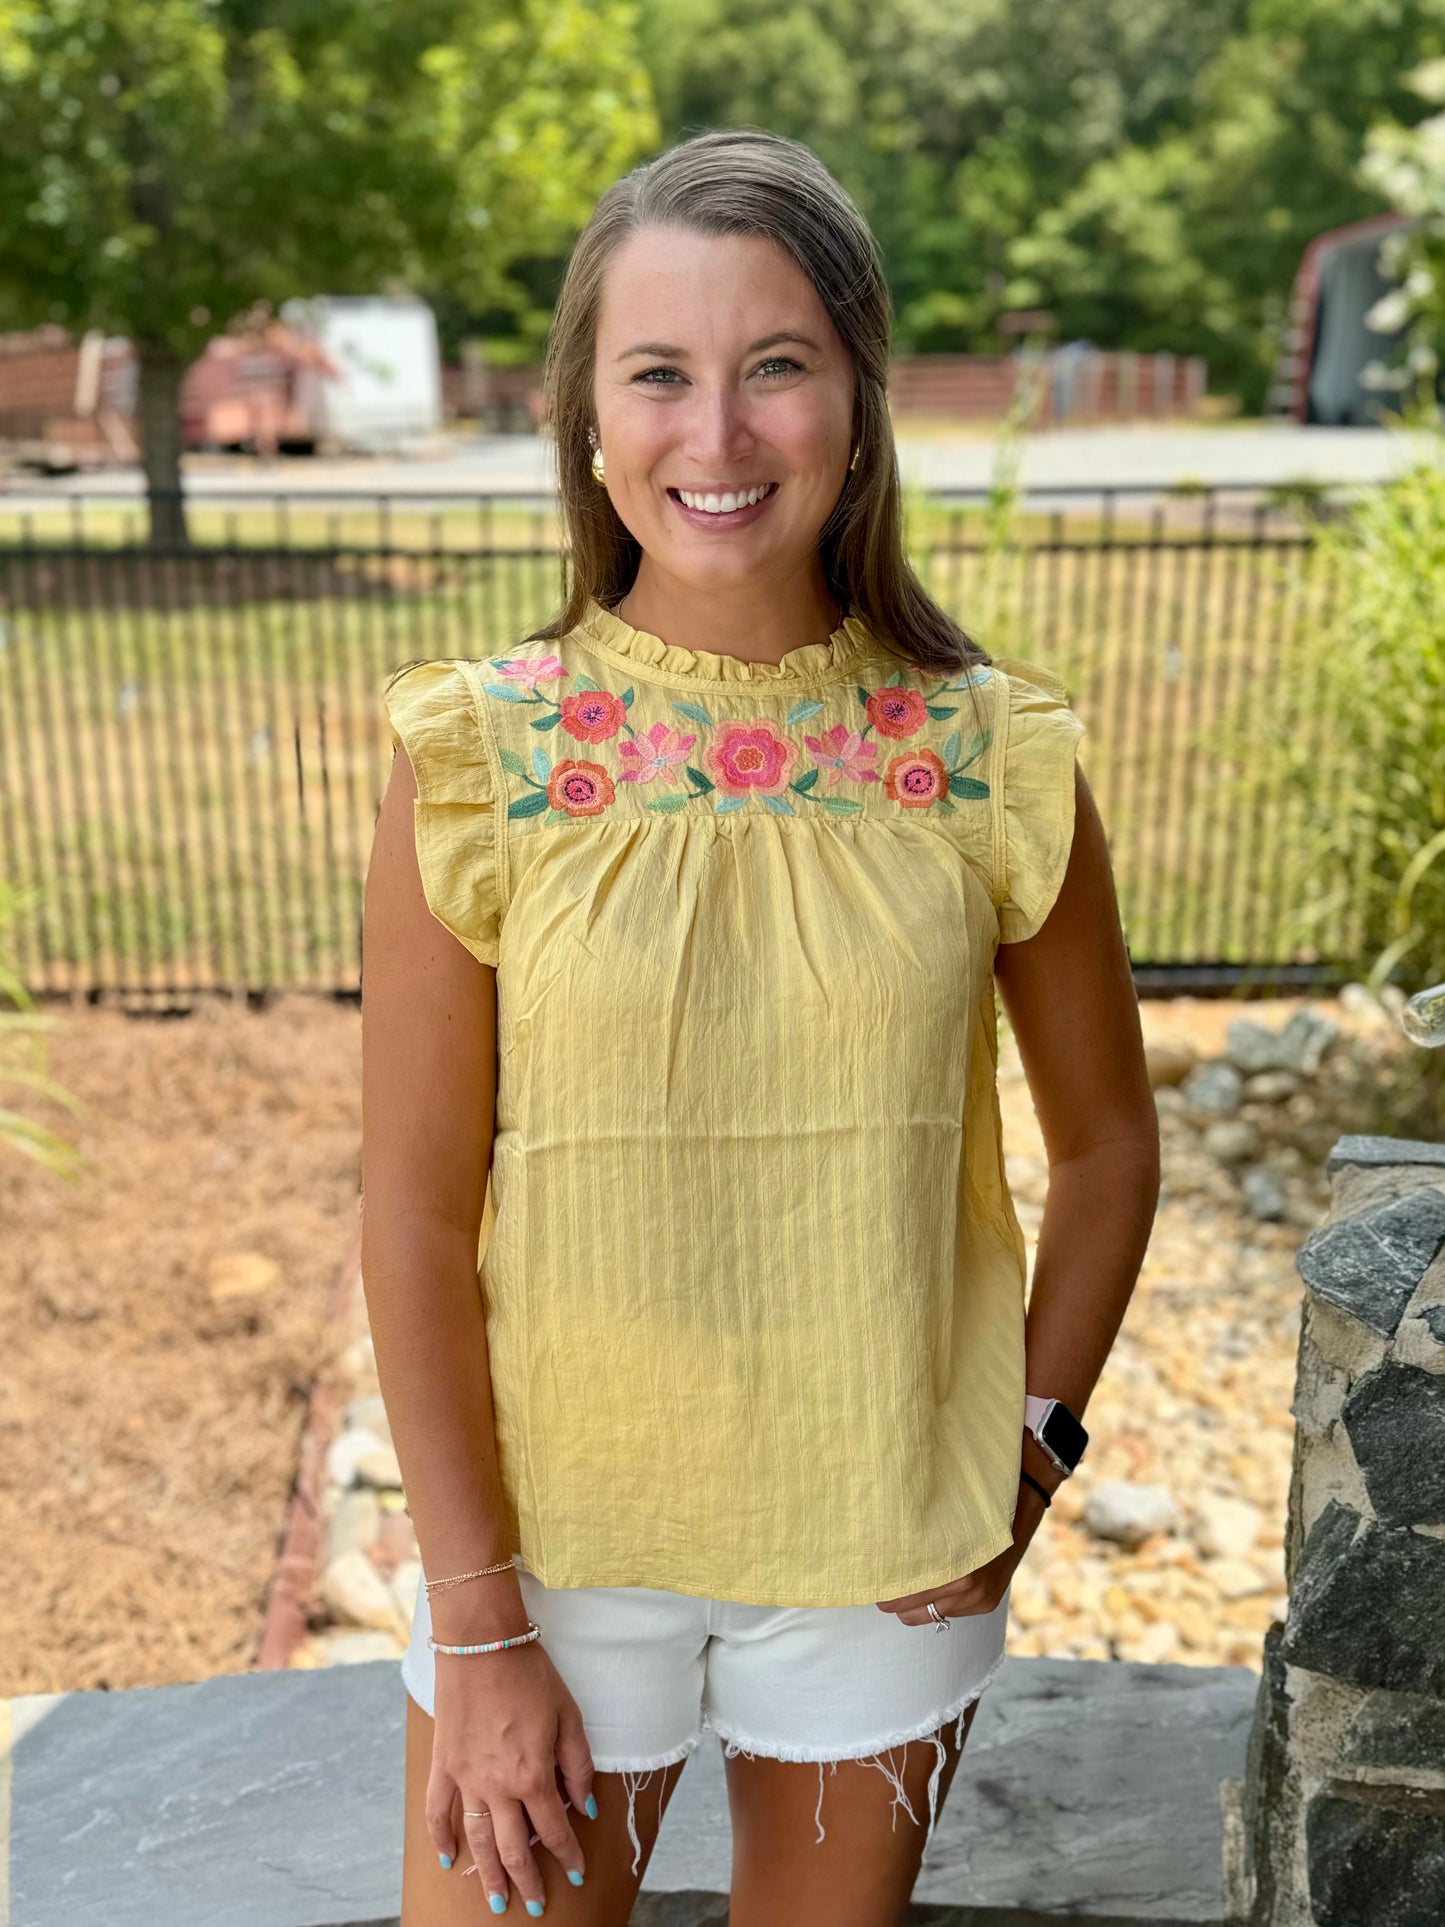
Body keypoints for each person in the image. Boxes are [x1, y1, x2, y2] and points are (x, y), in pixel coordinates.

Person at [362, 127, 1160, 1925]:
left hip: (884, 1549)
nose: (714, 438)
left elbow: (1110, 1147)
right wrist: (476, 1618)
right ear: (586, 411)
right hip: (550, 1560)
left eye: (775, 368)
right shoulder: (480, 758)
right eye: (659, 374)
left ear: (860, 406)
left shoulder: (992, 757)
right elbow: (407, 1209)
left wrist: (1025, 1456)